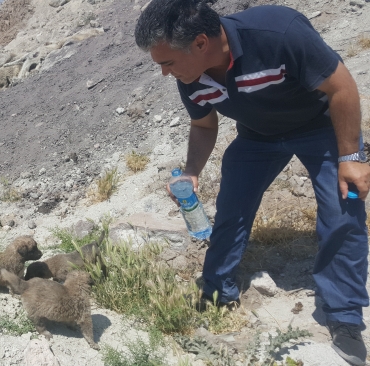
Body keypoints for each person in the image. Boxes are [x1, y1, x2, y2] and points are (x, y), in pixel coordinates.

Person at [135, 1, 370, 365]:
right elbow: (203, 125)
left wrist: (351, 159)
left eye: (167, 63)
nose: (165, 73)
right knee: (230, 209)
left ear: (200, 43)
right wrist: (191, 172)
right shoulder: (191, 76)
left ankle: (344, 316)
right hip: (257, 138)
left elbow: (343, 88)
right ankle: (217, 293)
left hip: (321, 128)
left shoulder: (278, 32)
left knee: (343, 212)